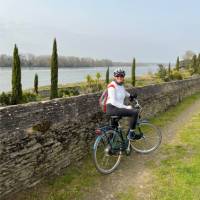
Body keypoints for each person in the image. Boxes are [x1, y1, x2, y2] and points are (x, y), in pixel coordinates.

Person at [106, 68, 140, 140]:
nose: (119, 77)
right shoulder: (111, 86)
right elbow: (113, 101)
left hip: (117, 108)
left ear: (123, 77)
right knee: (135, 112)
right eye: (117, 76)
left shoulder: (121, 86)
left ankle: (110, 147)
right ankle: (131, 134)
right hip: (112, 108)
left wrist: (131, 96)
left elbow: (124, 92)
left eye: (121, 76)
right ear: (115, 77)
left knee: (113, 129)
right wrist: (126, 107)